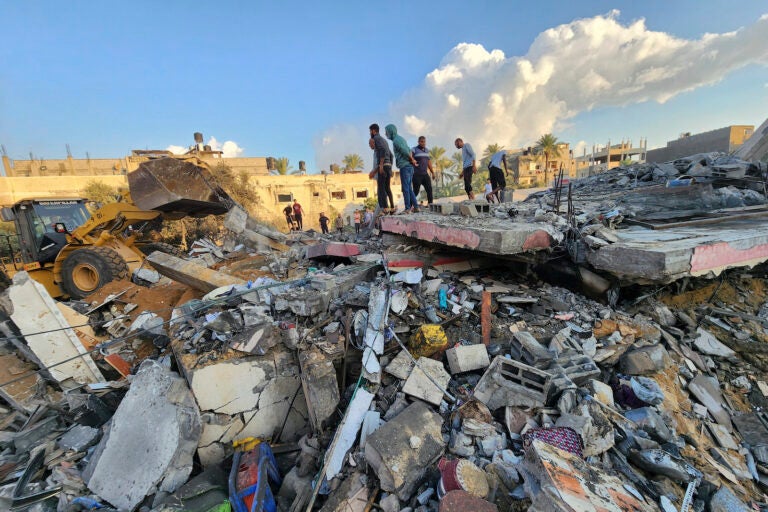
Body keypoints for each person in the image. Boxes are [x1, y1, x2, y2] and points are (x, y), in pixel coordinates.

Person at [385, 124, 419, 213]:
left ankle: (407, 208)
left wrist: (412, 160)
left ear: (391, 131)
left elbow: (405, 151)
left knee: (405, 188)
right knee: (409, 188)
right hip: (409, 166)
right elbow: (409, 149)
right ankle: (416, 207)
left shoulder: (396, 141)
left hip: (405, 166)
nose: (386, 134)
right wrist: (412, 160)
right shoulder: (400, 139)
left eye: (387, 132)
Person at [369, 125, 395, 213]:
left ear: (373, 131)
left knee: (381, 188)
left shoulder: (376, 138)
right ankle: (392, 207)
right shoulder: (384, 140)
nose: (370, 133)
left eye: (370, 131)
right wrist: (390, 166)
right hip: (387, 165)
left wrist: (380, 166)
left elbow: (383, 150)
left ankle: (385, 208)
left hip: (383, 167)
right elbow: (391, 155)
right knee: (387, 188)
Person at [411, 136, 435, 207]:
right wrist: (412, 160)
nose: (423, 143)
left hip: (425, 174)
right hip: (416, 174)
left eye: (424, 142)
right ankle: (409, 206)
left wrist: (432, 172)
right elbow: (410, 157)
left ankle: (430, 204)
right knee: (416, 191)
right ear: (418, 142)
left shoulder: (427, 150)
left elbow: (429, 162)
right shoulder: (414, 149)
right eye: (421, 141)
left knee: (429, 189)